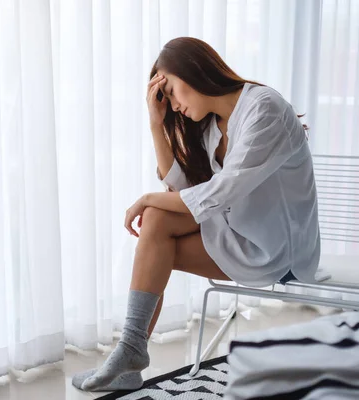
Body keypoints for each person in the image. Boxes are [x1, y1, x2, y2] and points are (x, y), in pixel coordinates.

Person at [73, 36, 320, 392]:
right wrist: (155, 124)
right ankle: (131, 351)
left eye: (171, 92)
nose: (172, 104)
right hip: (236, 233)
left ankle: (130, 352)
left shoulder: (265, 109)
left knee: (156, 214)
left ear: (194, 72)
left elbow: (218, 194)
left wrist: (146, 198)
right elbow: (184, 192)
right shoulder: (213, 125)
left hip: (277, 251)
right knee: (157, 219)